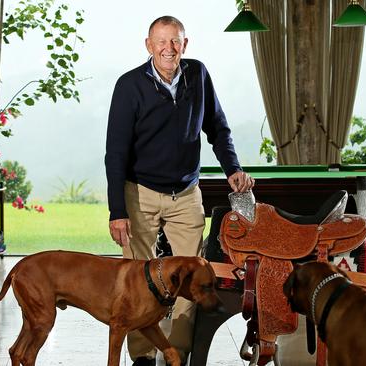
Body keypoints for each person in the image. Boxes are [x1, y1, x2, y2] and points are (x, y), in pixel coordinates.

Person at [105, 15, 254, 366]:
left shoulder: (198, 74)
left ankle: (178, 353)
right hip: (139, 193)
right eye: (161, 41)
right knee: (139, 280)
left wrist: (232, 167)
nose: (169, 48)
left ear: (185, 45)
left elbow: (218, 127)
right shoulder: (129, 86)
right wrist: (117, 210)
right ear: (148, 45)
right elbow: (115, 153)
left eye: (176, 41)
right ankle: (142, 356)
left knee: (192, 279)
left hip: (186, 194)